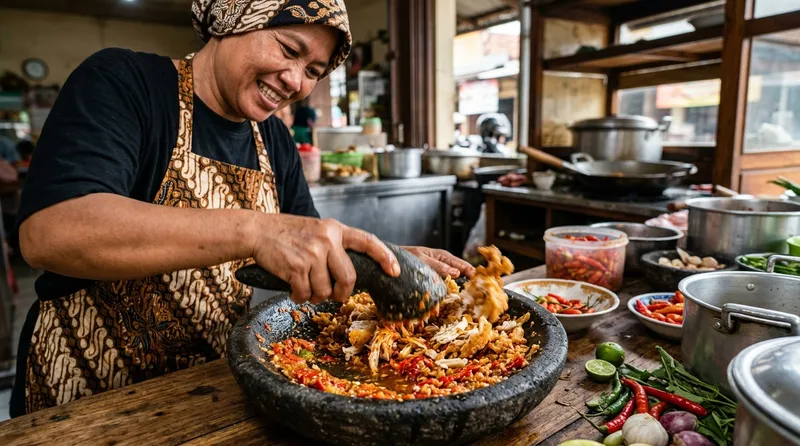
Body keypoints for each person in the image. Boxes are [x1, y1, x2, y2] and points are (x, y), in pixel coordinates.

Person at [11, 0, 473, 417]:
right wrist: (256, 231)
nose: (295, 81)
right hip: (87, 398)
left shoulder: (274, 140)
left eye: (313, 71)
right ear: (234, 16)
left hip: (207, 389)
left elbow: (311, 252)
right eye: (289, 50)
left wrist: (386, 259)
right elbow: (52, 232)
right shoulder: (126, 82)